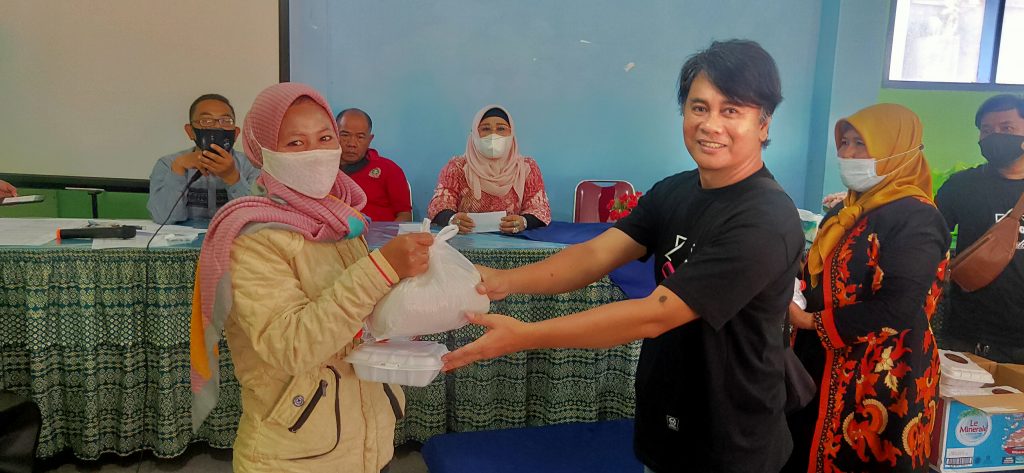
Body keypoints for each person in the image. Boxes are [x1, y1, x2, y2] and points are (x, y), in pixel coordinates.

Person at [441, 40, 803, 473]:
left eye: (731, 110)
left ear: (763, 123)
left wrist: (525, 335)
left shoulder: (765, 218)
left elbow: (656, 314)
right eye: (699, 107)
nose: (710, 125)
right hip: (665, 419)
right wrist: (503, 280)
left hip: (731, 437)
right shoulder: (676, 191)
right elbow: (597, 253)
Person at [188, 83, 434, 472]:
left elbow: (356, 316)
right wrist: (380, 270)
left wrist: (403, 316)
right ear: (264, 151)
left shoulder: (340, 220)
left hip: (367, 442)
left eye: (324, 138)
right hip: (296, 454)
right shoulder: (253, 237)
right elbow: (292, 346)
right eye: (295, 143)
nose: (316, 153)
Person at [784, 104, 949, 473]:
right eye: (844, 143)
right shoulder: (846, 212)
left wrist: (810, 322)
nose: (848, 154)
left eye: (862, 144)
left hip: (880, 377)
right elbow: (822, 278)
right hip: (818, 362)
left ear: (898, 148)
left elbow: (899, 306)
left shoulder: (917, 218)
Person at [935, 94, 1024, 364]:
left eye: (1007, 128)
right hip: (968, 335)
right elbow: (928, 237)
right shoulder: (961, 186)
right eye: (987, 130)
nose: (995, 136)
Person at [426, 105, 551, 234]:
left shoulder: (526, 168)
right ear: (474, 133)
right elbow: (439, 204)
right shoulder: (458, 167)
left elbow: (539, 208)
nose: (493, 135)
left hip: (512, 241)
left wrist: (524, 222)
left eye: (501, 128)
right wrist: (451, 219)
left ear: (511, 133)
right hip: (465, 240)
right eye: (485, 129)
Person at [148, 94, 260, 223]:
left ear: (235, 133)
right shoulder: (168, 164)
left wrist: (232, 177)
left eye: (226, 121)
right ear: (190, 131)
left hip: (232, 235)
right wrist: (178, 170)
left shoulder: (252, 166)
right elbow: (163, 218)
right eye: (206, 121)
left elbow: (256, 219)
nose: (217, 127)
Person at [336, 108, 413, 222]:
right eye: (345, 135)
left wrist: (388, 233)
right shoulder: (322, 170)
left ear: (370, 139)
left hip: (380, 232)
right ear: (334, 134)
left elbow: (405, 215)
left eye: (360, 137)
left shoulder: (389, 169)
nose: (352, 143)